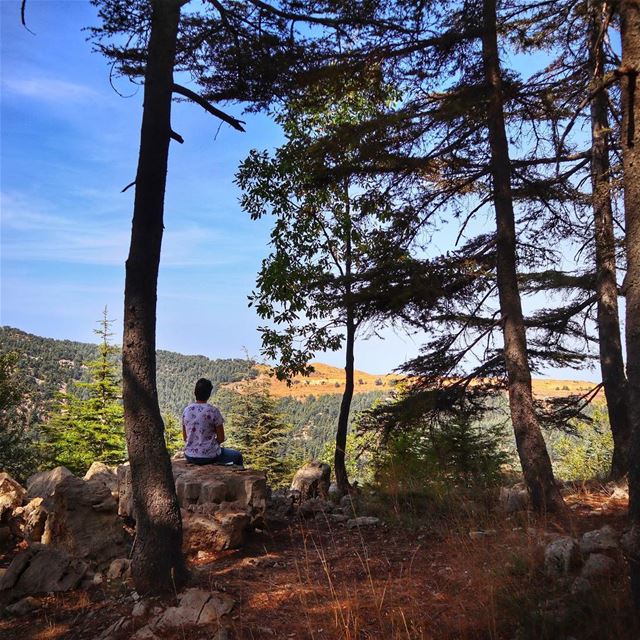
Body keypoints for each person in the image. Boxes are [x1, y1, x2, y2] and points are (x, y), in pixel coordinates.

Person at [182, 378, 244, 466]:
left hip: (189, 456)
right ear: (209, 394)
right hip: (209, 456)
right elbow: (221, 438)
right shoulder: (213, 411)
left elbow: (185, 438)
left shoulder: (186, 410)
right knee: (237, 456)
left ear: (195, 392)